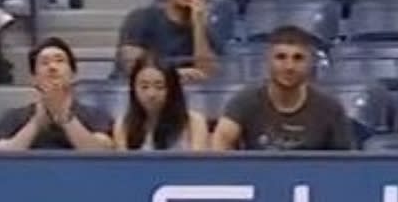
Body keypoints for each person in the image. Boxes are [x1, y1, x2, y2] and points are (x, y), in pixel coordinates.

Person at [211, 26, 353, 152]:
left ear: (310, 63)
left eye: (298, 58)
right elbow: (219, 145)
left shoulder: (330, 108)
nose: (289, 66)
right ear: (268, 61)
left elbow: (346, 165)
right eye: (281, 57)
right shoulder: (245, 102)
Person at [0, 36, 113, 151]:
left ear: (73, 75)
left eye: (59, 61)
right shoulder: (12, 117)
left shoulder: (96, 115)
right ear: (33, 78)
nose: (52, 67)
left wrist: (65, 118)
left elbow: (102, 155)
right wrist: (36, 123)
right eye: (44, 62)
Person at [113, 55, 208, 151]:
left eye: (159, 87)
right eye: (144, 87)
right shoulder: (123, 124)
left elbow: (197, 164)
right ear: (133, 89)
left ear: (172, 89)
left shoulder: (194, 122)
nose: (151, 94)